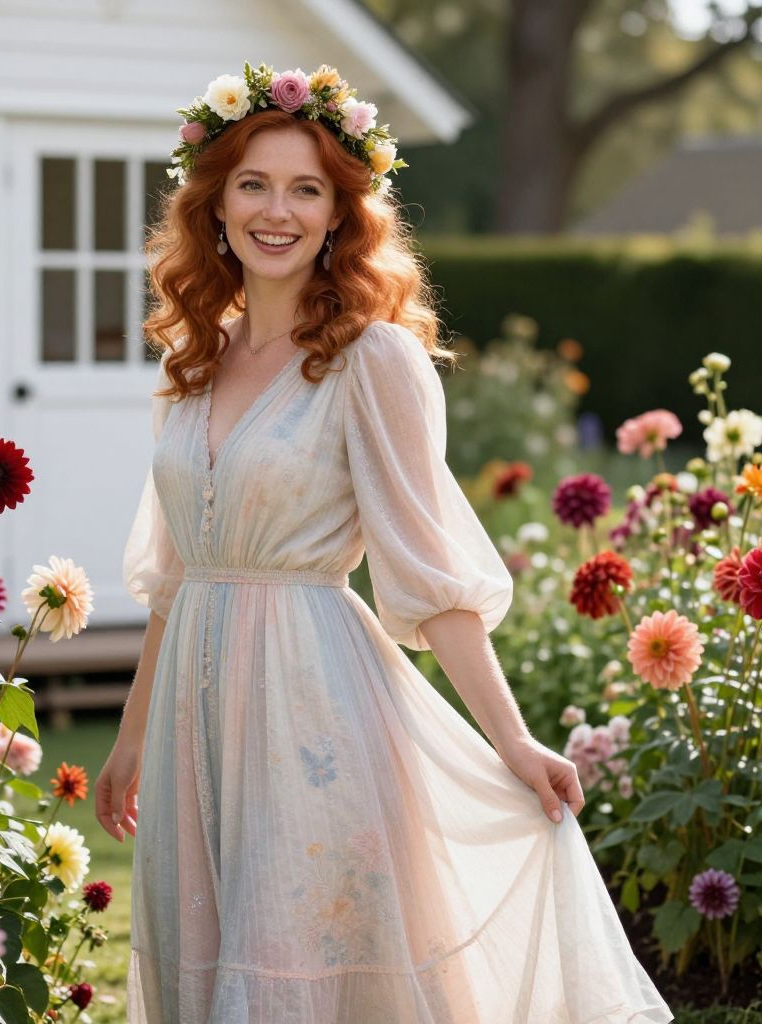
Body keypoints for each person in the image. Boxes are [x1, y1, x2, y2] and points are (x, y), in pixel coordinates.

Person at [96, 63, 674, 1024]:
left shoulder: (374, 359)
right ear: (215, 203)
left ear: (338, 214)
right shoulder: (195, 358)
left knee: (302, 961)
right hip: (193, 715)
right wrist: (130, 736)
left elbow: (430, 573)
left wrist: (515, 737)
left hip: (309, 704)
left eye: (306, 189)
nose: (275, 211)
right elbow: (178, 576)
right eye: (253, 184)